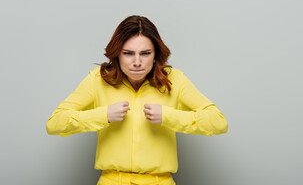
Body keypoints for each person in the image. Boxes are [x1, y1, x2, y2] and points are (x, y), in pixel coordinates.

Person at [46, 15, 228, 185]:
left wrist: (168, 116)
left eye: (145, 53)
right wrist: (104, 115)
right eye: (128, 53)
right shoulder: (98, 80)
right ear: (117, 54)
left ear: (156, 54)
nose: (137, 62)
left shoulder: (175, 79)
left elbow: (218, 122)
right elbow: (54, 124)